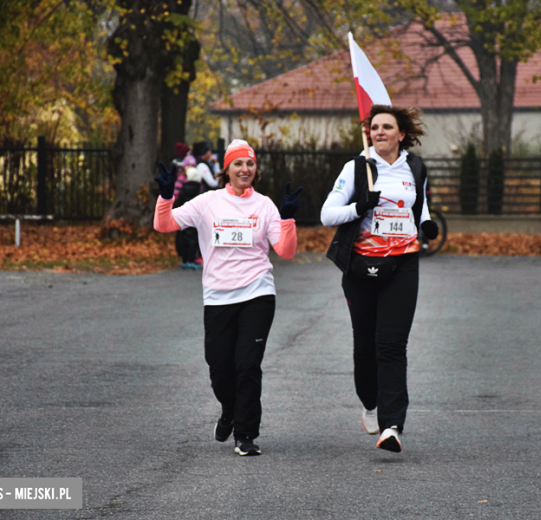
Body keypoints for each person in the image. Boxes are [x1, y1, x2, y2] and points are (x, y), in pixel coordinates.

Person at [154, 139, 304, 456]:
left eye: (249, 164)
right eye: (238, 163)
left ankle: (246, 435)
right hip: (218, 297)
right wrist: (166, 197)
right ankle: (229, 411)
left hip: (257, 293)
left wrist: (288, 220)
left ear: (255, 169)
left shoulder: (265, 205)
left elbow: (286, 251)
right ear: (227, 170)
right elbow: (163, 224)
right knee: (220, 371)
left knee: (247, 366)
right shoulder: (208, 202)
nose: (245, 169)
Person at [320, 105, 438, 453]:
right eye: (375, 127)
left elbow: (417, 206)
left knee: (391, 346)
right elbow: (327, 214)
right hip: (361, 268)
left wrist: (427, 224)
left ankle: (392, 426)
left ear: (402, 134)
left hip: (402, 265)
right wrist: (360, 206)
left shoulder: (415, 167)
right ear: (368, 133)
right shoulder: (356, 168)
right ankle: (370, 403)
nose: (380, 132)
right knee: (365, 348)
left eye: (388, 127)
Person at [173, 164, 203, 269]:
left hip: (184, 217)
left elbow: (178, 202)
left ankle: (185, 259)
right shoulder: (200, 191)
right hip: (195, 218)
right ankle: (192, 259)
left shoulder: (183, 189)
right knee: (193, 239)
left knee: (184, 238)